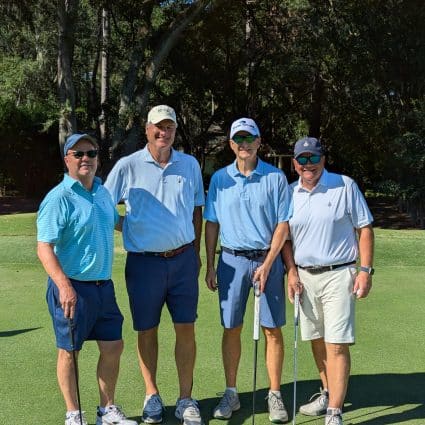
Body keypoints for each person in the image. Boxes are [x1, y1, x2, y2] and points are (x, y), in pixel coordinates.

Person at [104, 105, 205, 425]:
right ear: (147, 129)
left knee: (185, 328)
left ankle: (185, 398)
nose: (164, 132)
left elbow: (197, 210)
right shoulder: (128, 165)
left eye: (170, 127)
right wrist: (128, 227)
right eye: (158, 127)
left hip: (183, 260)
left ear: (175, 130)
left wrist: (196, 253)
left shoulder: (189, 164)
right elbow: (104, 206)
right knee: (146, 330)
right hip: (144, 264)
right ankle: (152, 395)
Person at [37, 133, 137, 425]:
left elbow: (116, 223)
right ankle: (73, 414)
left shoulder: (102, 192)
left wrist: (153, 222)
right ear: (67, 159)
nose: (85, 159)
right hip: (72, 288)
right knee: (70, 351)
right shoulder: (59, 198)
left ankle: (107, 411)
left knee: (113, 345)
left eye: (91, 153)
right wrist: (64, 286)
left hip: (103, 286)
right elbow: (44, 247)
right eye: (78, 154)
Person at [204, 118, 292, 423]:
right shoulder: (219, 179)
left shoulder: (276, 177)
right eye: (238, 139)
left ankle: (275, 393)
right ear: (231, 144)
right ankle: (231, 393)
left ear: (258, 142)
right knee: (232, 327)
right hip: (231, 261)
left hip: (268, 259)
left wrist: (268, 264)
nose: (244, 144)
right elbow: (212, 223)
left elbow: (283, 224)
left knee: (272, 328)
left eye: (249, 138)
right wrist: (211, 265)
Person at [281, 137, 374, 425]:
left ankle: (334, 411)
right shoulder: (289, 192)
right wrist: (291, 271)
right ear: (295, 163)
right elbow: (285, 239)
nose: (308, 164)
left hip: (339, 274)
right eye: (302, 159)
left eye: (313, 158)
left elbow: (364, 228)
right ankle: (327, 392)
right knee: (317, 341)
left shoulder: (344, 185)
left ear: (323, 159)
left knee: (336, 344)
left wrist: (365, 270)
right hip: (305, 277)